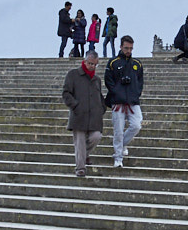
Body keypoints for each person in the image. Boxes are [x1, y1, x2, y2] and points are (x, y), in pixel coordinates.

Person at [61, 48, 105, 177]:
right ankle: (80, 168)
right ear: (84, 61)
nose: (92, 66)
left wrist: (101, 108)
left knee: (96, 137)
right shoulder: (73, 75)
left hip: (94, 117)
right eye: (90, 63)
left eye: (95, 64)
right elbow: (66, 93)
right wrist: (75, 106)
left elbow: (99, 95)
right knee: (79, 142)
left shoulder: (97, 80)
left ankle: (84, 155)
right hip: (79, 115)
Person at [105, 35, 144, 168]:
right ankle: (118, 157)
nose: (128, 51)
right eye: (126, 48)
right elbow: (108, 81)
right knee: (118, 130)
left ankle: (122, 145)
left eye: (131, 48)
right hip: (117, 101)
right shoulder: (113, 62)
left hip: (133, 101)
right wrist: (116, 92)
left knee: (136, 125)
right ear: (121, 47)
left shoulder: (137, 64)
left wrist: (135, 94)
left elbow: (140, 82)